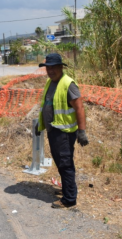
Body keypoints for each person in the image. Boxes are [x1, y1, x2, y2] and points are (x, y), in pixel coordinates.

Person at [35, 53, 89, 208]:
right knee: (60, 163)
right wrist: (41, 125)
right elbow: (47, 105)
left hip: (64, 132)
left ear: (60, 67)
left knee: (65, 164)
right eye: (48, 68)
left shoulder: (68, 84)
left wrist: (82, 131)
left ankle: (69, 199)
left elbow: (79, 107)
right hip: (54, 130)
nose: (50, 71)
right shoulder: (50, 82)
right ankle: (67, 190)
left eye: (53, 67)